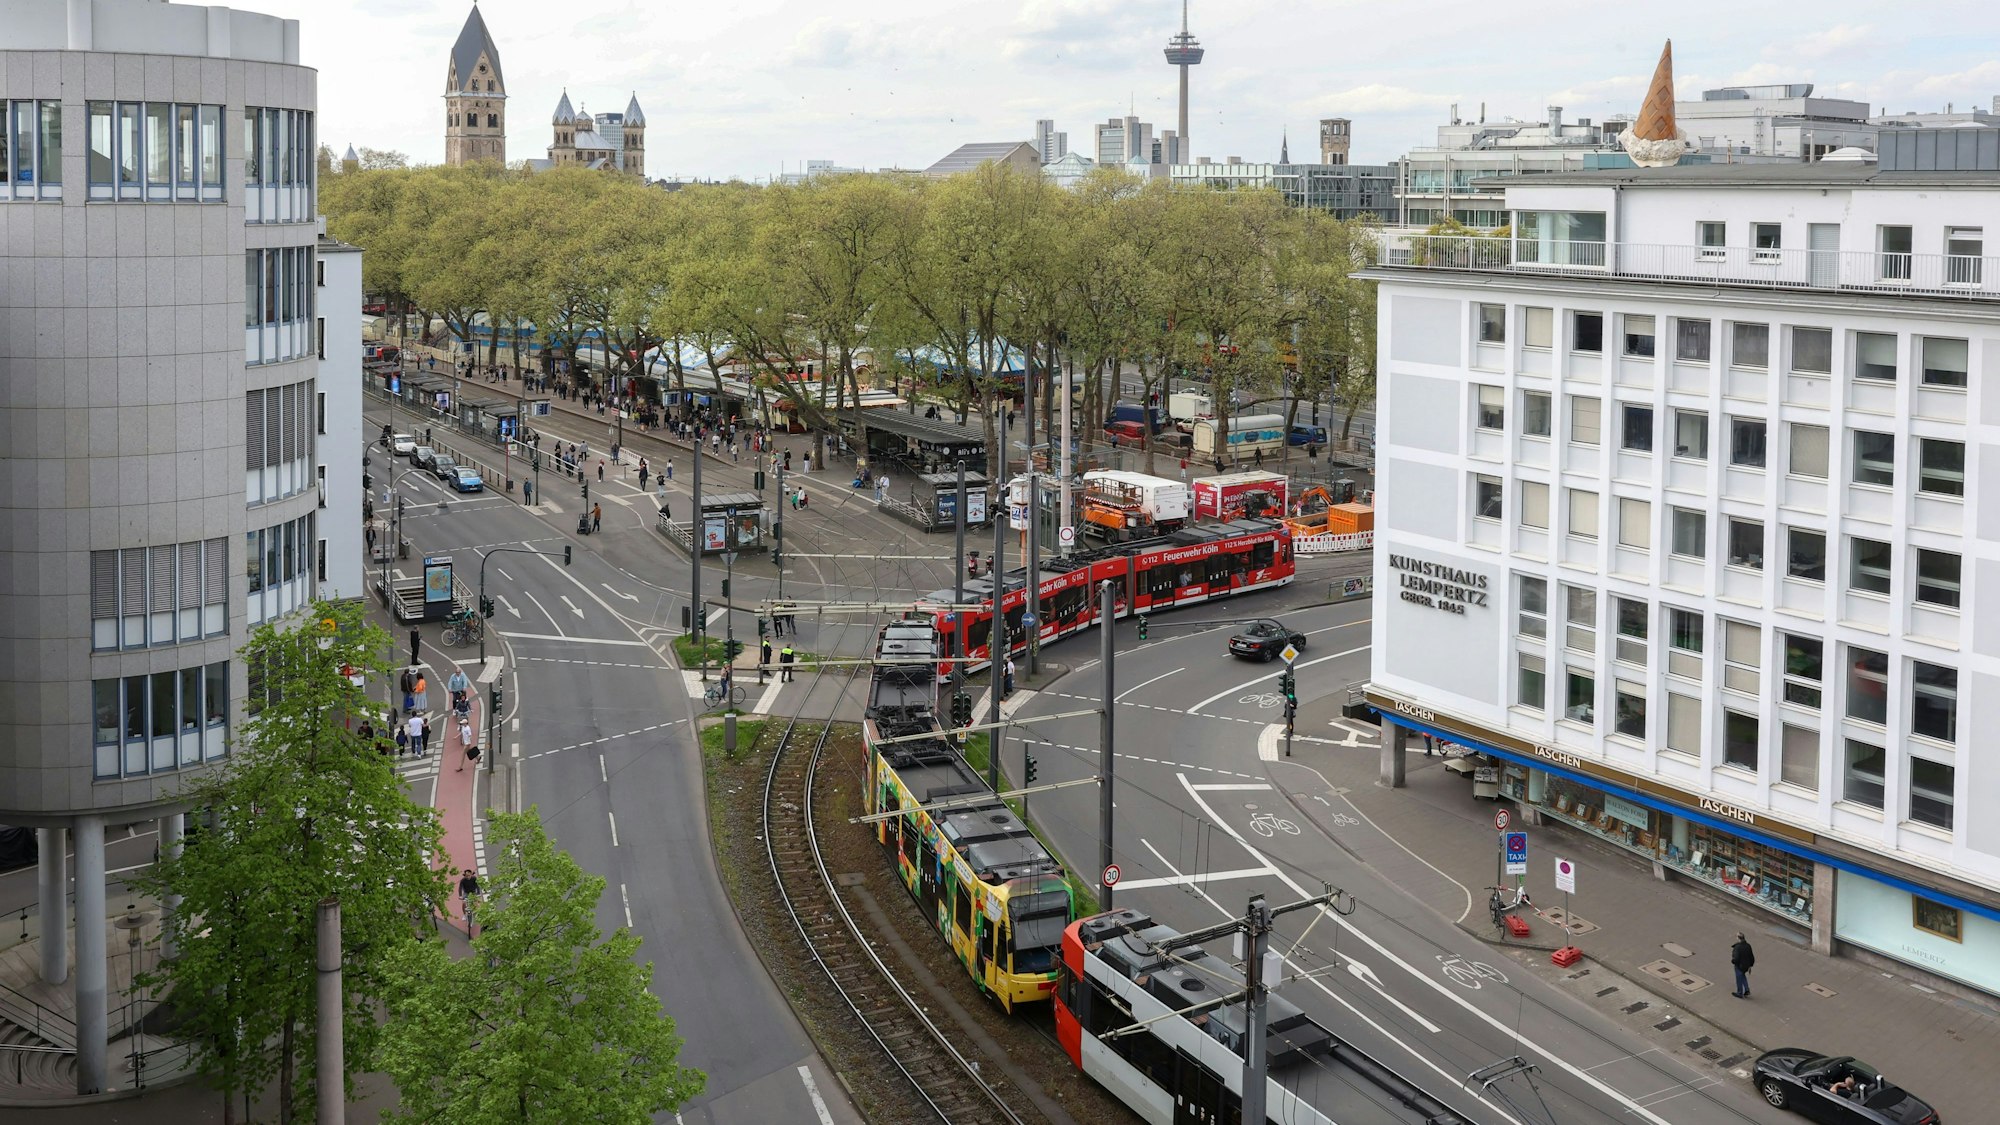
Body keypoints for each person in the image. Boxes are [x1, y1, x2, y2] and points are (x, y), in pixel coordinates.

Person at [1730, 932, 1755, 998]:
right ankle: (1746, 989)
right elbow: (1751, 956)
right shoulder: (1748, 945)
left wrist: (1733, 961)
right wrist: (1751, 965)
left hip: (1739, 965)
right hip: (1746, 965)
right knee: (1742, 975)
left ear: (1738, 938)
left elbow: (1736, 958)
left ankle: (1739, 992)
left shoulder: (1737, 947)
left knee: (1739, 978)